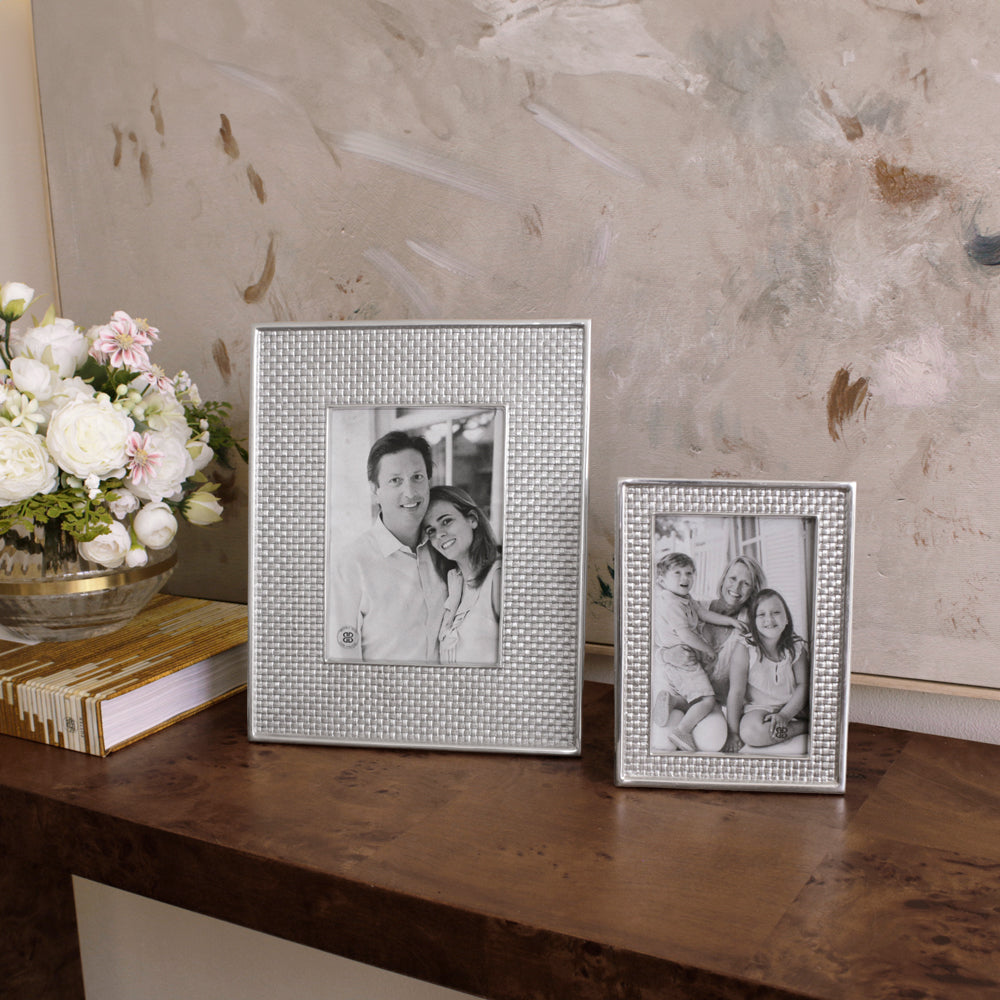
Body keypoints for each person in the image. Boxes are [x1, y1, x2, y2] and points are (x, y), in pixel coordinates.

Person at [325, 430, 446, 663]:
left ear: (429, 482)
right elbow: (342, 661)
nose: (410, 492)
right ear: (375, 491)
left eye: (417, 477)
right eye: (395, 480)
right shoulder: (350, 564)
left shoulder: (445, 549)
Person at [650, 551, 744, 752]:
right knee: (706, 701)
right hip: (683, 663)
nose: (685, 578)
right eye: (677, 573)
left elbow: (703, 613)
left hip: (686, 667)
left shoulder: (684, 598)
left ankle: (673, 702)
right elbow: (685, 634)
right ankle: (681, 731)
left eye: (689, 573)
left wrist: (730, 621)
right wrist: (707, 649)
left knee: (709, 728)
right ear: (661, 580)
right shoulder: (670, 603)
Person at [421, 485, 502, 666]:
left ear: (472, 519)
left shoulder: (497, 580)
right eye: (431, 530)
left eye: (446, 521)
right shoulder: (453, 585)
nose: (439, 534)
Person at [726, 588, 809, 749]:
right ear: (753, 621)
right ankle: (802, 727)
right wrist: (733, 732)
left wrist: (785, 715)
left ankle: (796, 723)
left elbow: (803, 685)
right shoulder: (745, 648)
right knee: (751, 733)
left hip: (793, 706)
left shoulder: (796, 646)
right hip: (760, 708)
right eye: (761, 614)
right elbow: (736, 692)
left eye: (776, 612)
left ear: (787, 618)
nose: (769, 619)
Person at [701, 555, 766, 752]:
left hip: (718, 703)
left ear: (753, 590)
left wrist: (733, 732)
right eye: (733, 578)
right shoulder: (698, 608)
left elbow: (738, 686)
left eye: (745, 583)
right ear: (723, 578)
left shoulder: (749, 624)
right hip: (689, 694)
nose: (736, 588)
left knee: (713, 740)